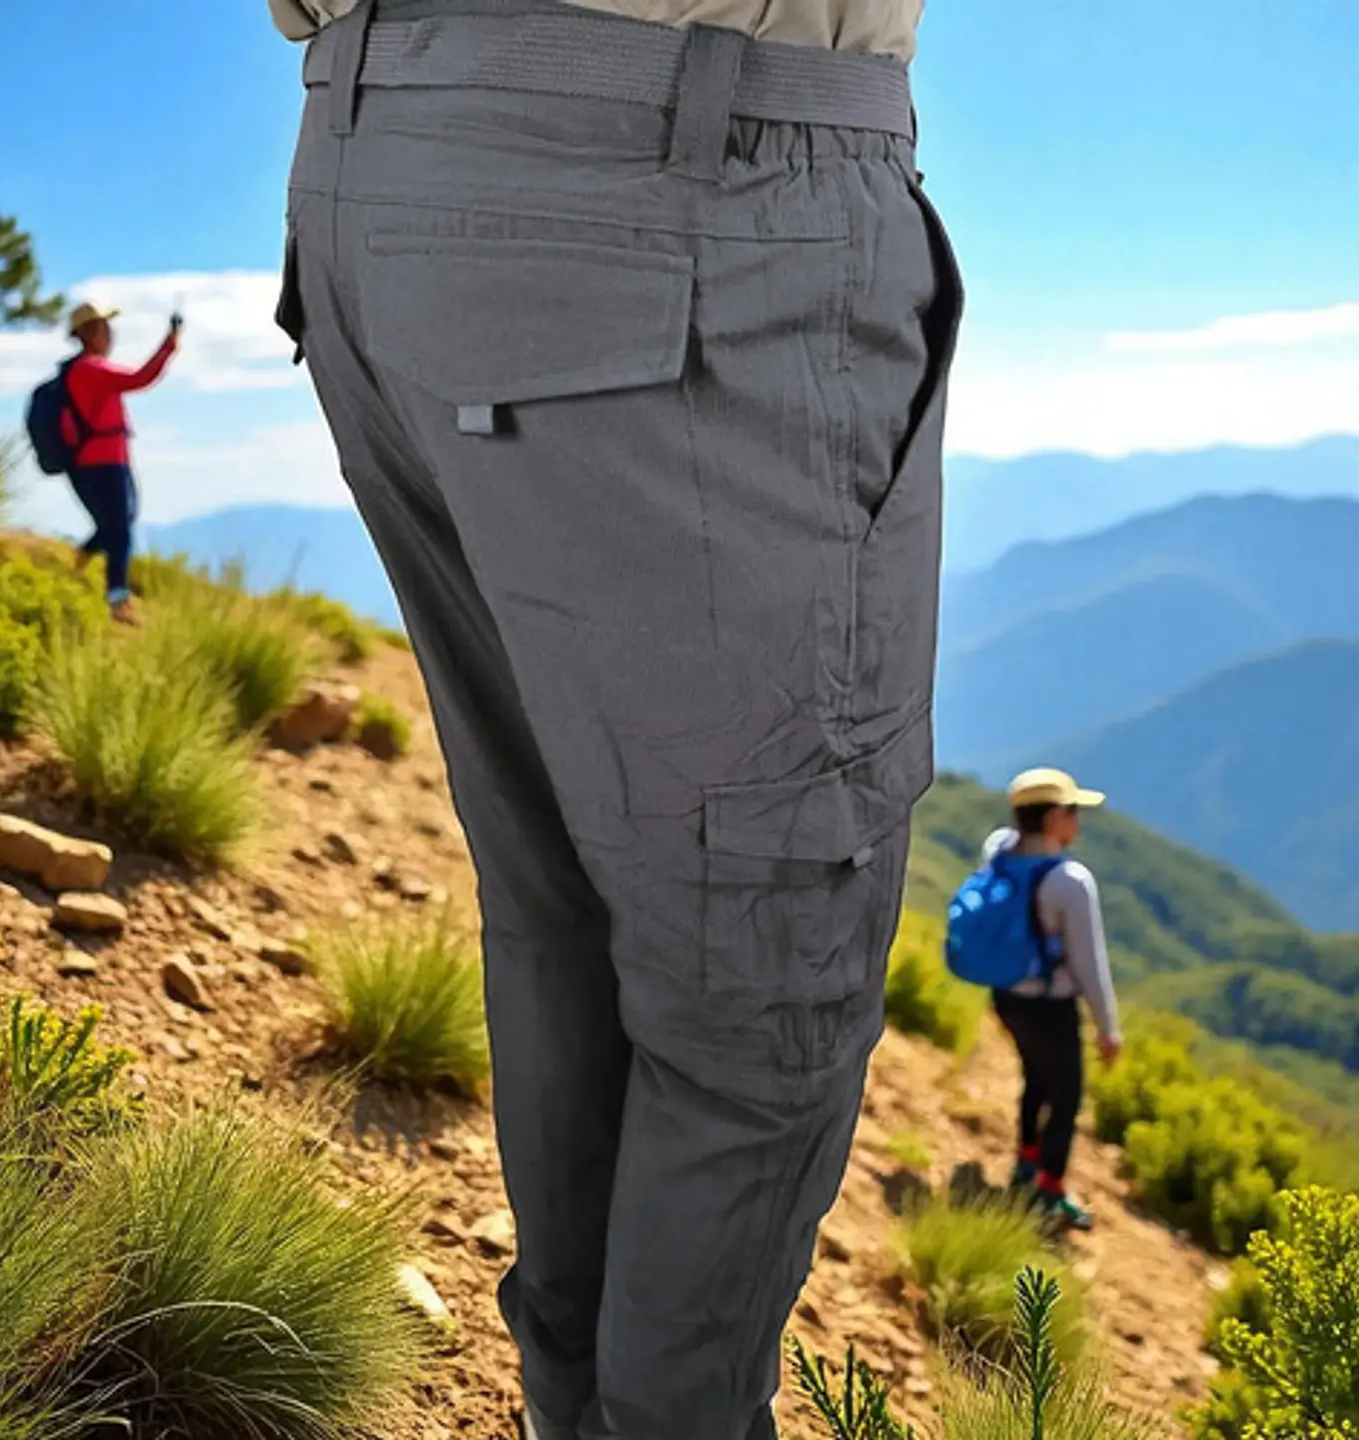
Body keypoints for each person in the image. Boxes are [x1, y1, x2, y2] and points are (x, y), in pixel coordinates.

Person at [271, 1, 959, 1436]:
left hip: (368, 176)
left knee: (565, 902)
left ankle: (572, 1406)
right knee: (767, 966)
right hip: (674, 193)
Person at [982, 768, 1123, 1232]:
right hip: (1050, 1005)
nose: (1077, 821)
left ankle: (1026, 1163)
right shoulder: (1070, 881)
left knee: (1034, 1076)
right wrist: (1108, 1028)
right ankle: (1049, 1191)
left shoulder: (998, 850)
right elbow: (1089, 963)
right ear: (1054, 817)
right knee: (1066, 1097)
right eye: (1073, 811)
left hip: (1006, 996)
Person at [63, 302, 180, 623]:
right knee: (120, 532)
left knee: (119, 522)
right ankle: (118, 601)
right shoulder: (89, 369)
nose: (110, 334)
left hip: (110, 461)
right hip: (100, 464)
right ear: (90, 333)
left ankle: (80, 559)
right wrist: (169, 345)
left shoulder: (89, 369)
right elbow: (141, 377)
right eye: (105, 328)